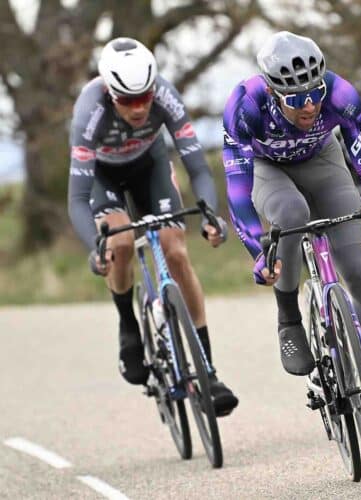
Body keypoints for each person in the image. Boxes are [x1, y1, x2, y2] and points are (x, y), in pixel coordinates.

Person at [222, 31, 361, 449]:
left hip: (323, 162)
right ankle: (288, 317)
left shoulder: (340, 95)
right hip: (269, 171)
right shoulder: (245, 105)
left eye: (314, 93)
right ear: (273, 92)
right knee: (291, 215)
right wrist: (258, 250)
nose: (308, 105)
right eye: (294, 99)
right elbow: (237, 188)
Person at [67, 37, 238, 416]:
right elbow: (77, 199)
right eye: (128, 100)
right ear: (111, 94)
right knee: (122, 243)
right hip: (103, 177)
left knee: (176, 250)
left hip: (150, 167)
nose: (140, 107)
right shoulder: (88, 113)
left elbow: (196, 166)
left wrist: (210, 215)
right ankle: (128, 325)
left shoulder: (165, 97)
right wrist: (93, 247)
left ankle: (207, 371)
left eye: (144, 96)